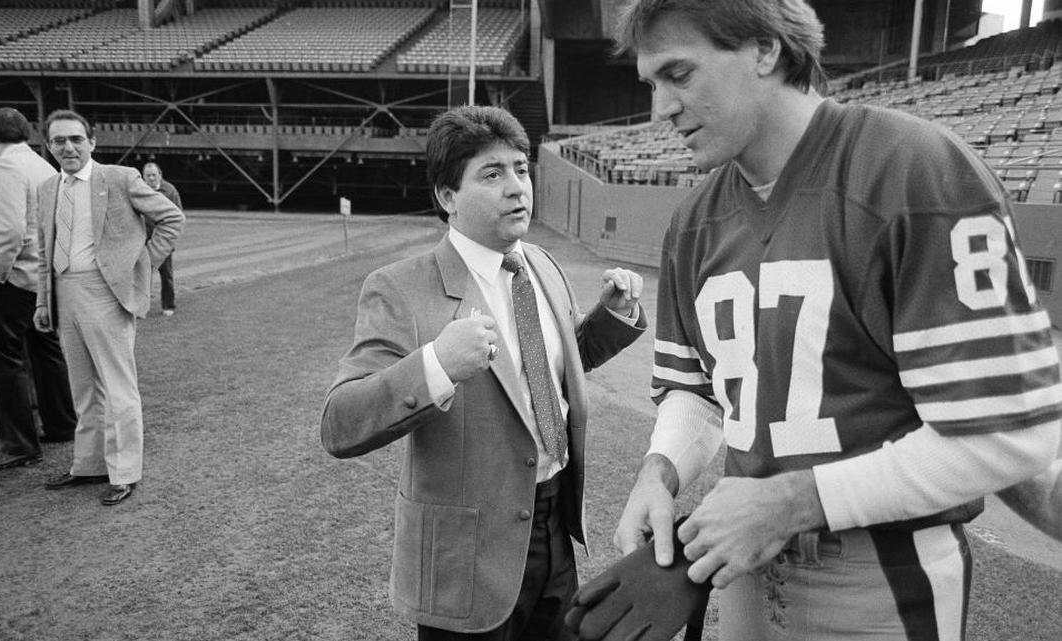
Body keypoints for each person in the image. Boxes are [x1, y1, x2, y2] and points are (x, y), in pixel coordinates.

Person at [606, 2, 1062, 639]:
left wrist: (795, 500)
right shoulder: (693, 221)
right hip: (743, 570)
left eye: (679, 74)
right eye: (651, 83)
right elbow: (702, 392)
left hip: (882, 574)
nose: (661, 107)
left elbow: (1008, 435)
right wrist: (659, 472)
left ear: (765, 49)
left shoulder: (914, 169)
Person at [320, 105, 647, 640]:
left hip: (555, 532)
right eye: (491, 174)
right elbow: (340, 423)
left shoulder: (543, 265)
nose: (516, 187)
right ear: (447, 197)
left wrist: (611, 318)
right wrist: (437, 365)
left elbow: (547, 375)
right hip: (464, 561)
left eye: (520, 168)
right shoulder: (399, 287)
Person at [35, 109, 184, 506]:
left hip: (106, 294)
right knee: (83, 389)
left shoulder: (120, 178)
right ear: (48, 145)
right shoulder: (48, 188)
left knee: (118, 389)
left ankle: (124, 473)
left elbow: (171, 218)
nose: (68, 147)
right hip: (64, 293)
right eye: (59, 141)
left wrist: (142, 264)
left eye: (76, 139)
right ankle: (89, 465)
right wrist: (42, 300)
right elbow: (43, 249)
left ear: (92, 141)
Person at [0, 107, 77, 471]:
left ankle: (18, 444)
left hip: (14, 276)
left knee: (1, 357)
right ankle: (61, 423)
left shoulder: (4, 166)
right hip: (42, 277)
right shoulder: (42, 165)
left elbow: (12, 231)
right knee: (46, 351)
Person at [141, 161, 182, 316]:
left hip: (163, 241)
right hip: (143, 240)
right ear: (143, 177)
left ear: (160, 175)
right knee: (142, 276)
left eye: (153, 175)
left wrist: (169, 238)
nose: (151, 178)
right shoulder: (139, 190)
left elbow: (178, 215)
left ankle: (168, 305)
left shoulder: (170, 191)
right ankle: (141, 307)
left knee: (166, 274)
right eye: (147, 175)